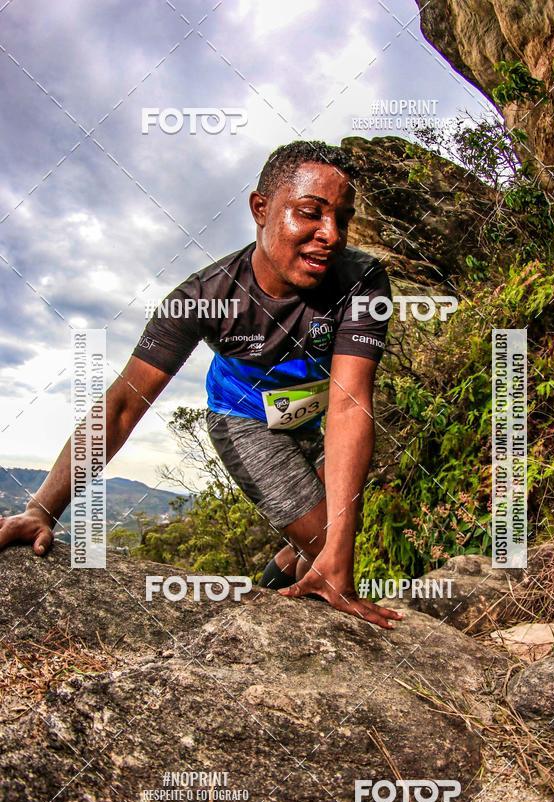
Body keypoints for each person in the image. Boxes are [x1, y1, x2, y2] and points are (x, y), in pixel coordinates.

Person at [0, 140, 403, 631]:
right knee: (325, 540)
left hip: (320, 411)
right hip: (248, 420)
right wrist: (43, 509)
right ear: (261, 208)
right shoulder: (202, 297)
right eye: (310, 213)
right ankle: (272, 608)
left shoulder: (361, 280)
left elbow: (349, 402)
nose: (331, 234)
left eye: (342, 217)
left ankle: (284, 585)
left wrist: (340, 555)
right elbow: (124, 405)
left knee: (336, 539)